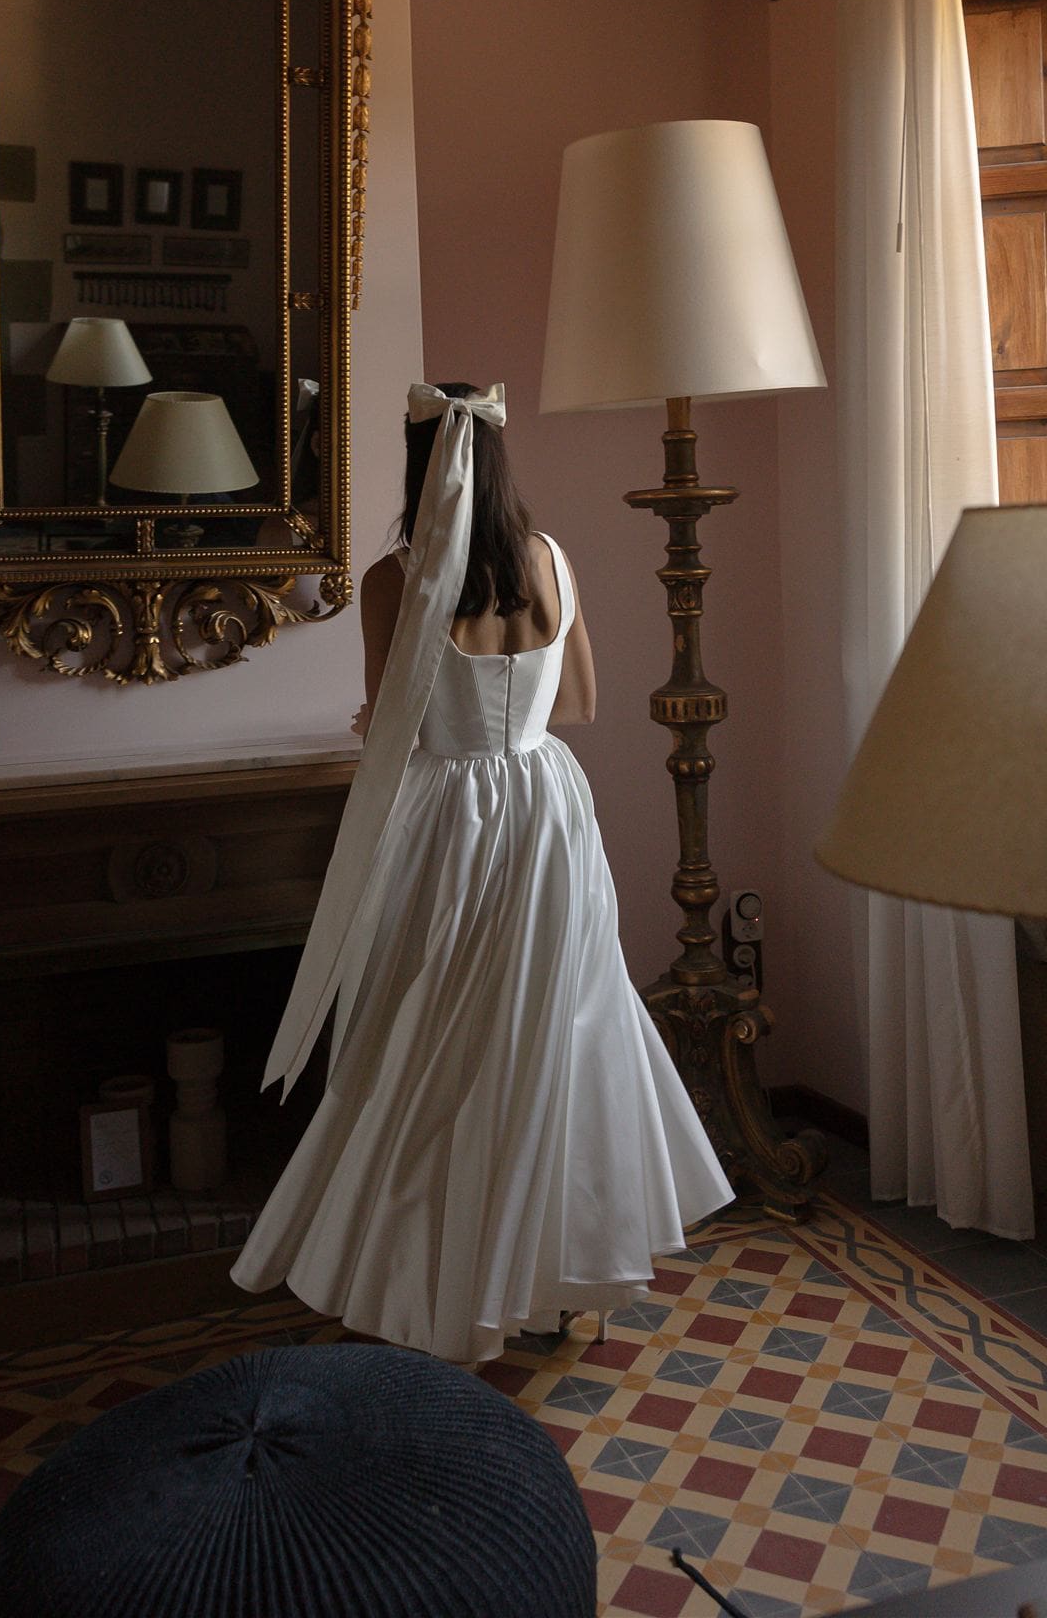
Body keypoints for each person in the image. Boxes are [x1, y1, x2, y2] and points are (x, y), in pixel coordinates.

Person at [230, 382, 732, 1364]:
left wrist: (387, 723)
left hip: (451, 821)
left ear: (422, 464)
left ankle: (440, 1286)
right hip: (546, 806)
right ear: (500, 461)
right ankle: (546, 1282)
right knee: (551, 1035)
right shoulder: (552, 562)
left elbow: (395, 720)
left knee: (437, 1043)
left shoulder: (395, 579)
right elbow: (579, 700)